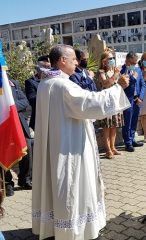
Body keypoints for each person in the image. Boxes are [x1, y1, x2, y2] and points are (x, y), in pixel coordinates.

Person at [32, 44, 130, 240]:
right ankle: (73, 230)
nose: (77, 62)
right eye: (73, 59)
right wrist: (117, 86)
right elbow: (90, 103)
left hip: (56, 144)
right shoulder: (62, 85)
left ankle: (55, 227)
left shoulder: (46, 83)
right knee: (71, 185)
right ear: (62, 61)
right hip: (70, 146)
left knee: (57, 184)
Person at [3, 79, 33, 196]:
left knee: (27, 148)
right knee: (4, 152)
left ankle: (24, 179)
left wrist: (11, 107)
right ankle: (7, 183)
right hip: (3, 124)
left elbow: (25, 101)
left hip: (18, 122)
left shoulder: (14, 83)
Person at [95, 48, 124, 159]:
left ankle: (113, 147)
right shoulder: (101, 72)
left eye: (113, 58)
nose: (112, 60)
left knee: (114, 126)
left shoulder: (115, 71)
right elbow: (106, 84)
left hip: (116, 101)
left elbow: (120, 84)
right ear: (104, 61)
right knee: (106, 127)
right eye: (110, 58)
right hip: (106, 102)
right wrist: (116, 75)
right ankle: (108, 150)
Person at [120, 52, 146, 152]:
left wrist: (141, 97)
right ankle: (127, 142)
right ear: (127, 60)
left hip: (137, 99)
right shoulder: (122, 70)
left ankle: (132, 139)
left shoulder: (138, 69)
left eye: (135, 63)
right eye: (132, 63)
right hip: (128, 99)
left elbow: (143, 84)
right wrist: (132, 77)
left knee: (134, 120)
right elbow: (125, 85)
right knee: (127, 121)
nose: (134, 65)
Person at [25, 56, 50, 131]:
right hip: (40, 119)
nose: (47, 69)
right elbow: (32, 100)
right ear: (38, 68)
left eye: (49, 67)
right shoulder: (31, 82)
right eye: (45, 67)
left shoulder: (57, 79)